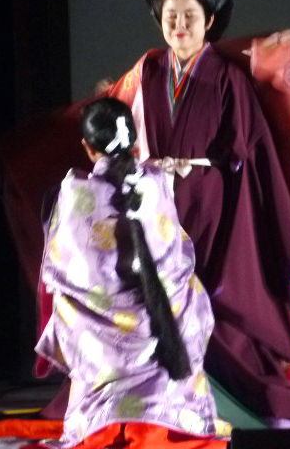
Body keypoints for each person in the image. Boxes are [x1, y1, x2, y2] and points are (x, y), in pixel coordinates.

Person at [0, 0, 290, 429]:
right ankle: (151, 393)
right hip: (155, 203)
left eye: (189, 17)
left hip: (213, 204)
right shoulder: (149, 70)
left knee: (210, 299)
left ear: (210, 22)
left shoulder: (226, 77)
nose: (179, 26)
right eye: (171, 18)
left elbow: (244, 147)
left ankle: (217, 392)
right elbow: (114, 121)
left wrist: (196, 169)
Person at [35, 97, 227, 448]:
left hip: (102, 344)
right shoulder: (156, 182)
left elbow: (65, 266)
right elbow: (177, 253)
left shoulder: (75, 190)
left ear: (87, 147)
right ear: (133, 141)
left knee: (67, 301)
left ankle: (98, 416)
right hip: (166, 326)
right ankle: (173, 410)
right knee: (188, 293)